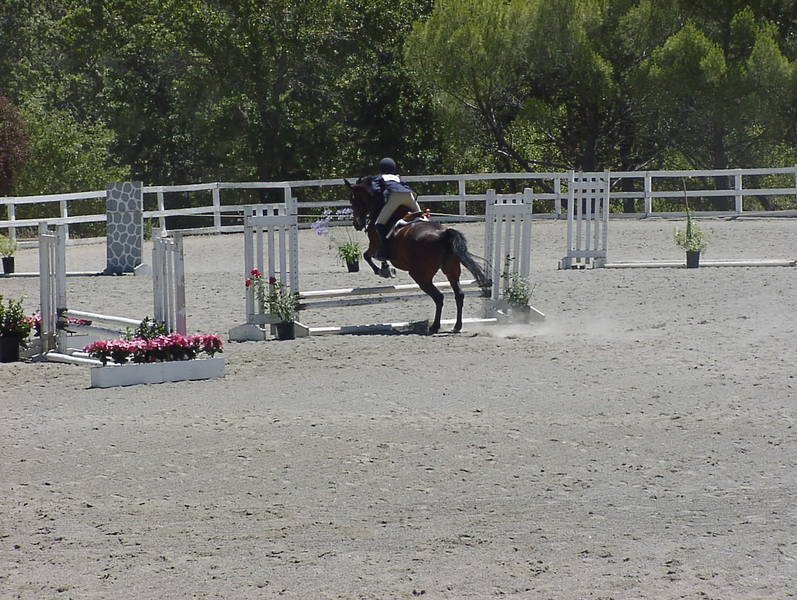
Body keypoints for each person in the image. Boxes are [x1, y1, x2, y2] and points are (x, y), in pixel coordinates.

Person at [370, 157, 421, 260]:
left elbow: (376, 191)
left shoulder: (379, 177)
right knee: (422, 216)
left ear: (381, 168)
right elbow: (406, 186)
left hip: (394, 197)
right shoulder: (398, 177)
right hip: (409, 195)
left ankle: (385, 251)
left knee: (379, 224)